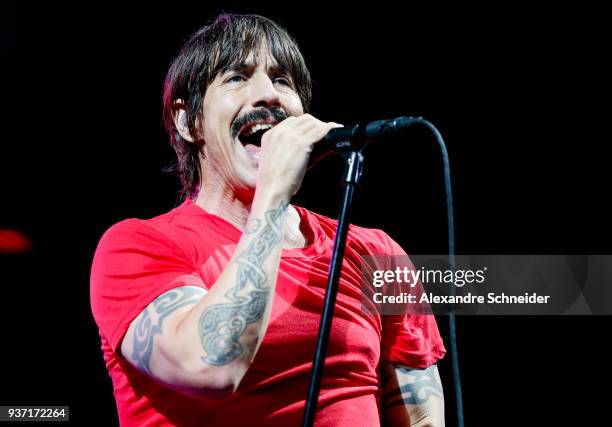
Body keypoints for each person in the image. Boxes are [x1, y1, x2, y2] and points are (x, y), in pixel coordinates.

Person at [90, 13, 446, 427]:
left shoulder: (376, 253)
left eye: (282, 80)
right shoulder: (136, 247)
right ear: (188, 121)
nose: (268, 95)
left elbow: (421, 420)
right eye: (237, 77)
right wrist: (273, 198)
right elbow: (212, 365)